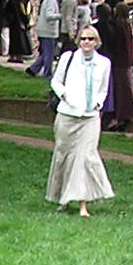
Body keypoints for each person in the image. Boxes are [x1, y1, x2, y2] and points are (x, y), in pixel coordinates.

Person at [45, 23, 114, 220]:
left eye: (90, 39)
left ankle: (83, 204)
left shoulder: (104, 63)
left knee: (85, 157)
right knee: (65, 156)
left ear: (97, 42)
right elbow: (56, 81)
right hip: (67, 115)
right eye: (83, 39)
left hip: (89, 118)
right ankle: (64, 199)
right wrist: (64, 95)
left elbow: (103, 89)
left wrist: (97, 103)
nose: (86, 42)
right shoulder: (68, 58)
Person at [96, 0, 133, 133]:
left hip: (118, 62)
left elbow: (116, 45)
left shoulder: (118, 27)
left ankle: (119, 116)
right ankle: (125, 115)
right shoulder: (127, 26)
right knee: (126, 88)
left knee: (119, 89)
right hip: (125, 62)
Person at [31, 0, 61, 76]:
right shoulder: (51, 0)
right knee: (49, 54)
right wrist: (61, 15)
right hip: (48, 31)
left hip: (45, 30)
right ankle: (47, 73)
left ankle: (33, 69)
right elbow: (49, 15)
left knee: (45, 53)